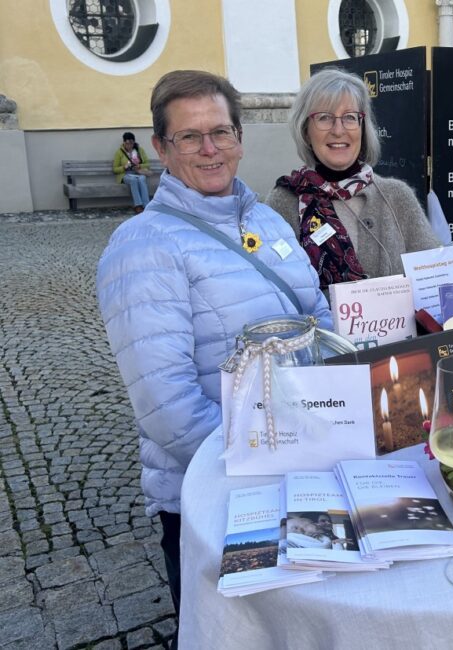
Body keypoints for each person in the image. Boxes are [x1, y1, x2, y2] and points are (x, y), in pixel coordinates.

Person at [96, 70, 331, 643]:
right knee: (235, 632)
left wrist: (329, 424)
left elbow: (318, 318)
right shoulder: (144, 246)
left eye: (221, 132)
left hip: (301, 464)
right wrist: (258, 465)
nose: (210, 149)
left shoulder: (264, 218)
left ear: (240, 137)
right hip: (219, 493)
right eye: (190, 136)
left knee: (304, 626)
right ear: (160, 148)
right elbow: (166, 404)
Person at [266, 68, 441, 290]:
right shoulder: (284, 202)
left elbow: (435, 276)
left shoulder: (397, 196)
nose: (338, 130)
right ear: (306, 130)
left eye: (349, 117)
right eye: (324, 118)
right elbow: (276, 292)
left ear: (362, 127)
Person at [113, 131, 152, 212]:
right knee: (133, 180)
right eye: (127, 143)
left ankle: (146, 205)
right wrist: (124, 167)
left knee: (141, 179)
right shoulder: (119, 152)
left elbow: (147, 164)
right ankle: (138, 205)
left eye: (131, 143)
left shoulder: (139, 150)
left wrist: (139, 166)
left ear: (134, 142)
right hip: (125, 175)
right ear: (124, 142)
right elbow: (115, 169)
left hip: (138, 172)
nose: (129, 145)